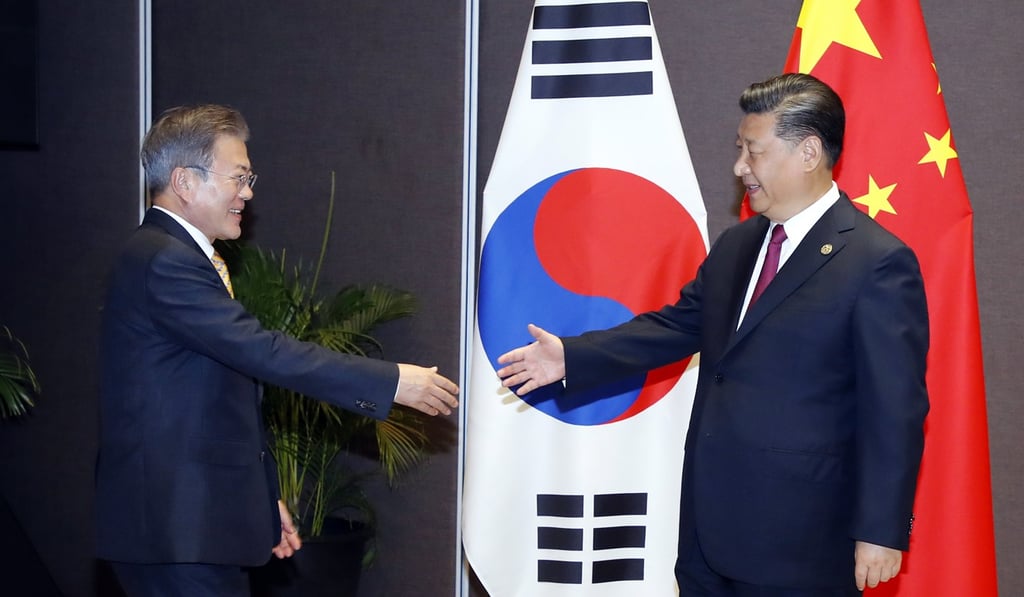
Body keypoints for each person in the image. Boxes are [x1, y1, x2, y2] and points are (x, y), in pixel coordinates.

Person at [497, 73, 928, 596]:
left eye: (754, 151)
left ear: (809, 152)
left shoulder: (876, 261)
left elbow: (894, 410)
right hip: (708, 534)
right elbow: (675, 325)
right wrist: (572, 356)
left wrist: (880, 531)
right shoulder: (737, 245)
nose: (739, 167)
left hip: (802, 541)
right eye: (739, 149)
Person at [95, 104, 460, 596]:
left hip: (192, 525)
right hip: (174, 529)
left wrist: (261, 497)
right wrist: (393, 381)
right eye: (238, 177)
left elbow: (217, 396)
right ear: (184, 181)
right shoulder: (164, 262)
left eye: (250, 178)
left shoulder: (173, 256)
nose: (248, 193)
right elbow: (262, 351)